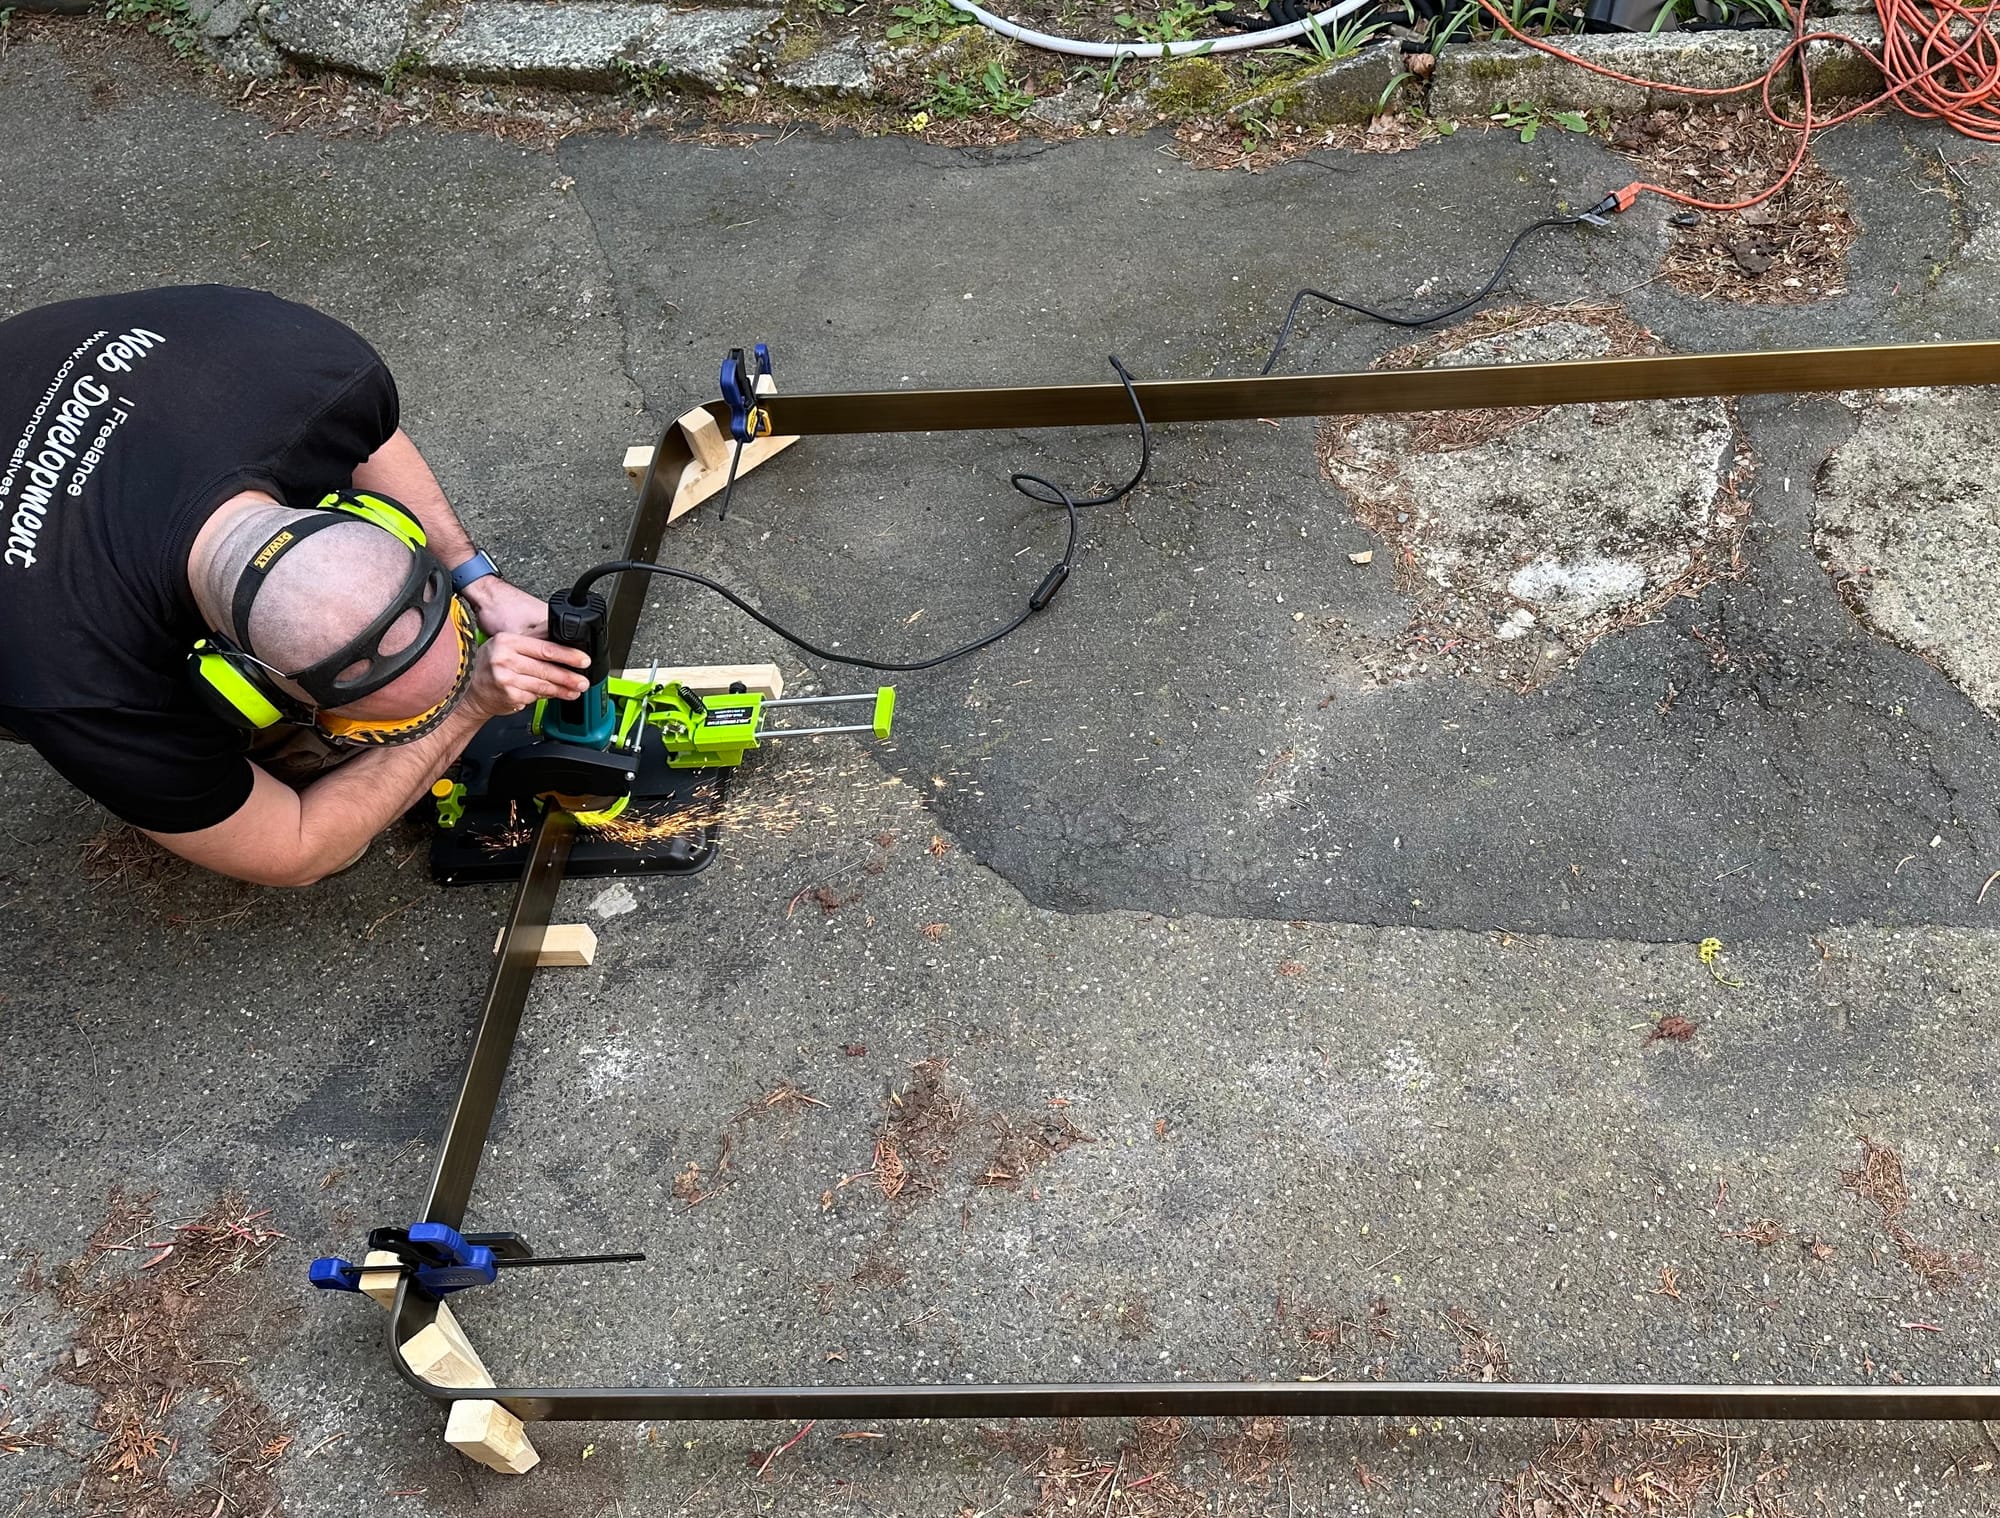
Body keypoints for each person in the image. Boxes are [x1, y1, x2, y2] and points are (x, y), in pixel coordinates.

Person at [0, 285, 592, 886]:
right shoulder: (79, 683)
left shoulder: (310, 373)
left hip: (89, 371)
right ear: (242, 680)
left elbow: (368, 440)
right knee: (335, 815)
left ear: (379, 520)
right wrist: (469, 709)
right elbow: (296, 849)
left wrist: (479, 582)